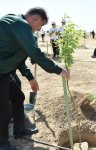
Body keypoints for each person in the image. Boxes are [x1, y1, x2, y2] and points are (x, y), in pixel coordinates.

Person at [0, 7, 70, 149]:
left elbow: (18, 58)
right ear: (35, 19)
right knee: (3, 110)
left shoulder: (14, 21)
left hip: (4, 73)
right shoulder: (21, 24)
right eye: (41, 25)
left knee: (18, 97)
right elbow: (34, 53)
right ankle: (2, 143)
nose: (39, 29)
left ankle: (19, 130)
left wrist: (30, 78)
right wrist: (58, 70)